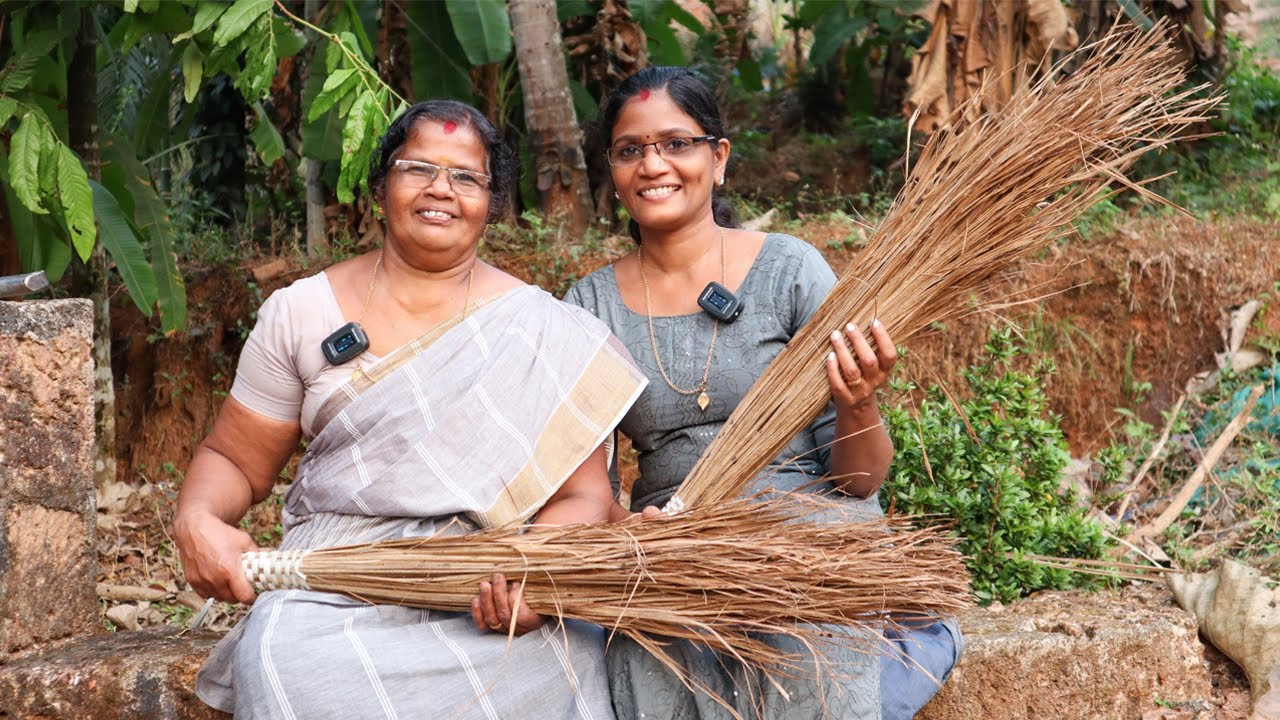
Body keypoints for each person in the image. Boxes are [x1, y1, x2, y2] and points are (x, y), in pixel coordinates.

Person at [174, 99, 647, 719]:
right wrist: (198, 517)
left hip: (490, 588)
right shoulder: (303, 312)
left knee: (567, 659)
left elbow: (583, 497)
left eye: (466, 177)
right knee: (282, 662)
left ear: (493, 204)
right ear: (379, 188)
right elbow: (235, 459)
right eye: (417, 168)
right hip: (331, 588)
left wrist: (539, 576)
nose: (440, 190)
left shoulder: (544, 329)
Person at [564, 67, 962, 720]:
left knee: (801, 644)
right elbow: (587, 495)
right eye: (630, 149)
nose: (653, 164)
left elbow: (860, 481)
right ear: (611, 168)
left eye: (676, 143)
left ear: (718, 159)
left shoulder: (790, 270)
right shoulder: (589, 306)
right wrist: (630, 531)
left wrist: (859, 400)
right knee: (648, 662)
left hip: (807, 538)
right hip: (673, 549)